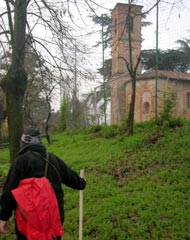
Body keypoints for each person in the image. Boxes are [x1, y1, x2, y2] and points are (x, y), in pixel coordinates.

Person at [0, 126, 86, 239]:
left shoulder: (20, 162)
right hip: (53, 220)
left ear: (23, 143)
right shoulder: (54, 160)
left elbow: (8, 193)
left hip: (28, 221)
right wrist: (83, 181)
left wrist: (4, 217)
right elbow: (77, 183)